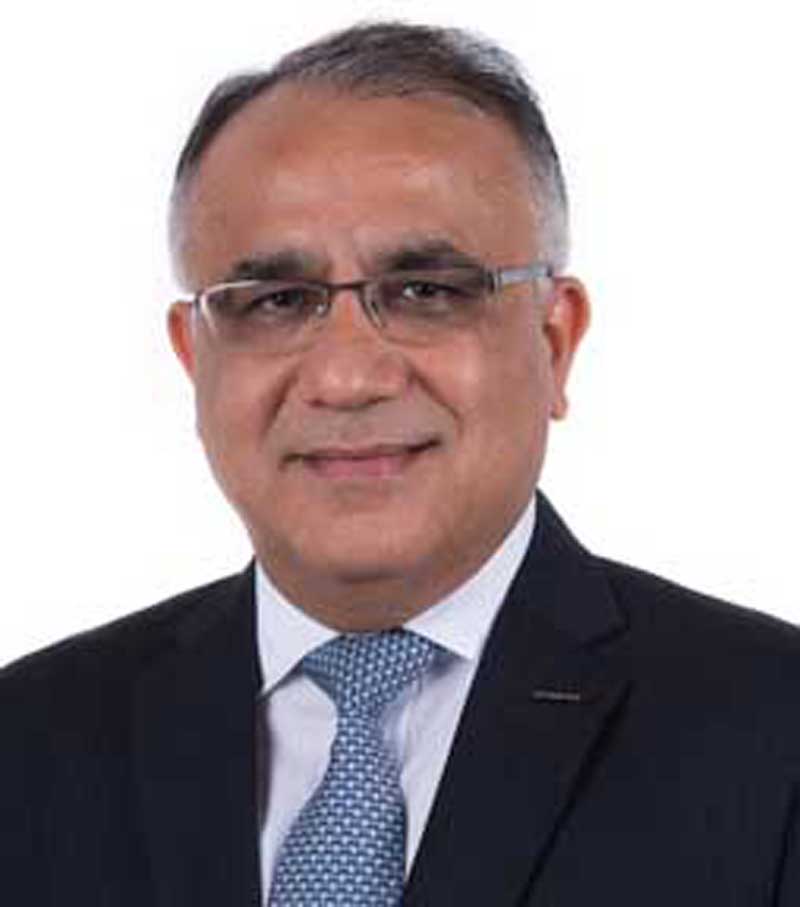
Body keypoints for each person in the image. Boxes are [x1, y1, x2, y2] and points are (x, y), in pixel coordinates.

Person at [2, 20, 799, 906]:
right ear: (196, 359)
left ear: (554, 343)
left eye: (426, 292)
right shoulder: (27, 746)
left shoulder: (774, 736)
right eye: (276, 301)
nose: (348, 378)